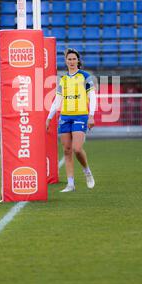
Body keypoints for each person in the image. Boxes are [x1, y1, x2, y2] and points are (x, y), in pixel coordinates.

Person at [46, 48, 96, 192]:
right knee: (67, 150)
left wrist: (91, 115)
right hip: (65, 116)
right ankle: (70, 184)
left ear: (78, 61)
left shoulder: (85, 76)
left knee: (77, 148)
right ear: (66, 61)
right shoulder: (63, 79)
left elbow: (92, 96)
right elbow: (58, 99)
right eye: (69, 59)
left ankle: (87, 171)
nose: (72, 61)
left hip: (81, 115)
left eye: (74, 59)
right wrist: (49, 117)